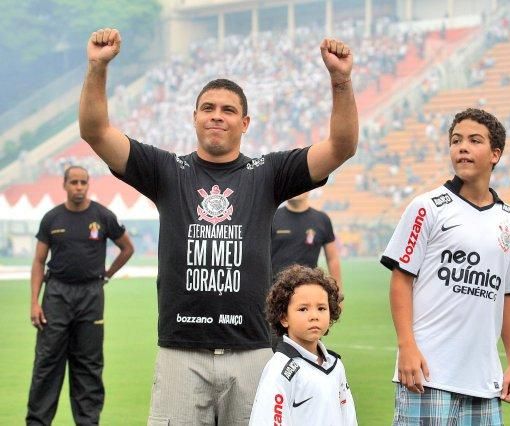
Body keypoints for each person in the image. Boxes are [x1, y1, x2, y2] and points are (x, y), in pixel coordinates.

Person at [78, 28, 358, 425]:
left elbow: (341, 146)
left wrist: (341, 81)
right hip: (181, 352)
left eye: (228, 110)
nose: (216, 116)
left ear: (245, 122)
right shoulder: (166, 171)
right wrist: (97, 67)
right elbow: (95, 132)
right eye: (208, 108)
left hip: (252, 352)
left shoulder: (269, 173)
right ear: (194, 117)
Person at [380, 108, 510, 425]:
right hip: (427, 375)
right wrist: (406, 346)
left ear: (495, 154)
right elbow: (401, 280)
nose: (462, 147)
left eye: (474, 140)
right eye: (456, 140)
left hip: (483, 381)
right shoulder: (427, 207)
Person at [26, 165, 134, 426]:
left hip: (91, 296)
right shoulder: (52, 219)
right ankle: (37, 422)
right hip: (56, 295)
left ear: (88, 185)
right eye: (73, 182)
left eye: (83, 182)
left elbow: (127, 248)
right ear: (64, 184)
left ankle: (88, 422)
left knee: (88, 365)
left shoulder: (103, 216)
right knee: (47, 364)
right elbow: (39, 261)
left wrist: (106, 275)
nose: (78, 187)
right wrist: (34, 303)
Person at [249, 265, 357, 425]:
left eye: (321, 308)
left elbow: (348, 417)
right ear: (284, 317)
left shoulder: (336, 365)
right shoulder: (281, 370)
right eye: (303, 309)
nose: (314, 316)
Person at [271, 191, 342, 290]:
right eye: (292, 184)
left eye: (299, 183)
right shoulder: (271, 217)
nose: (296, 188)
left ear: (308, 187)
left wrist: (338, 295)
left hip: (308, 292)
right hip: (275, 292)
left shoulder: (322, 219)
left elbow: (332, 259)